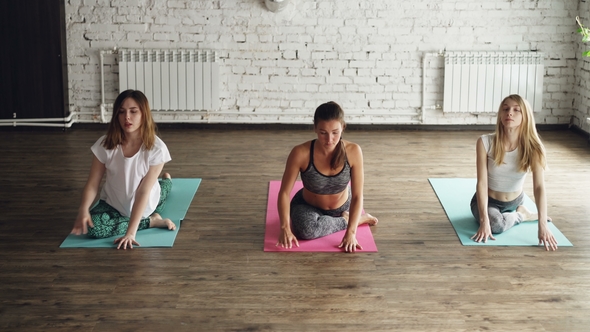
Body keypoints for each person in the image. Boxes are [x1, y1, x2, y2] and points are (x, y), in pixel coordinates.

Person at [71, 90, 175, 249]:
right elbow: (93, 184)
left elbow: (143, 191)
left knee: (161, 195)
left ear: (144, 114)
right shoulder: (105, 144)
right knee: (94, 228)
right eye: (121, 112)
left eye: (133, 111)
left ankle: (165, 185)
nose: (127, 117)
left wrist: (131, 233)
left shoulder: (157, 148)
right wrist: (83, 209)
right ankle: (153, 216)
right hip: (112, 203)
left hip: (145, 201)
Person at [276, 101, 378, 252]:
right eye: (323, 132)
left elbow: (357, 196)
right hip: (308, 205)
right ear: (315, 129)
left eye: (335, 132)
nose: (329, 139)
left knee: (313, 227)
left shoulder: (354, 151)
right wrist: (284, 227)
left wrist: (351, 232)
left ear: (343, 127)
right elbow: (284, 193)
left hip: (342, 205)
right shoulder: (300, 153)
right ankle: (351, 220)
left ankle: (351, 220)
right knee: (305, 231)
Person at [470, 94, 558, 251]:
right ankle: (522, 216)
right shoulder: (484, 142)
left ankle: (521, 210)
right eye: (505, 109)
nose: (509, 113)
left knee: (497, 222)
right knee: (495, 224)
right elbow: (482, 183)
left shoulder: (534, 148)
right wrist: (484, 221)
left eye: (516, 110)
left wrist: (542, 224)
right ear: (500, 114)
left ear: (525, 116)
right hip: (488, 200)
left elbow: (539, 187)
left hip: (516, 200)